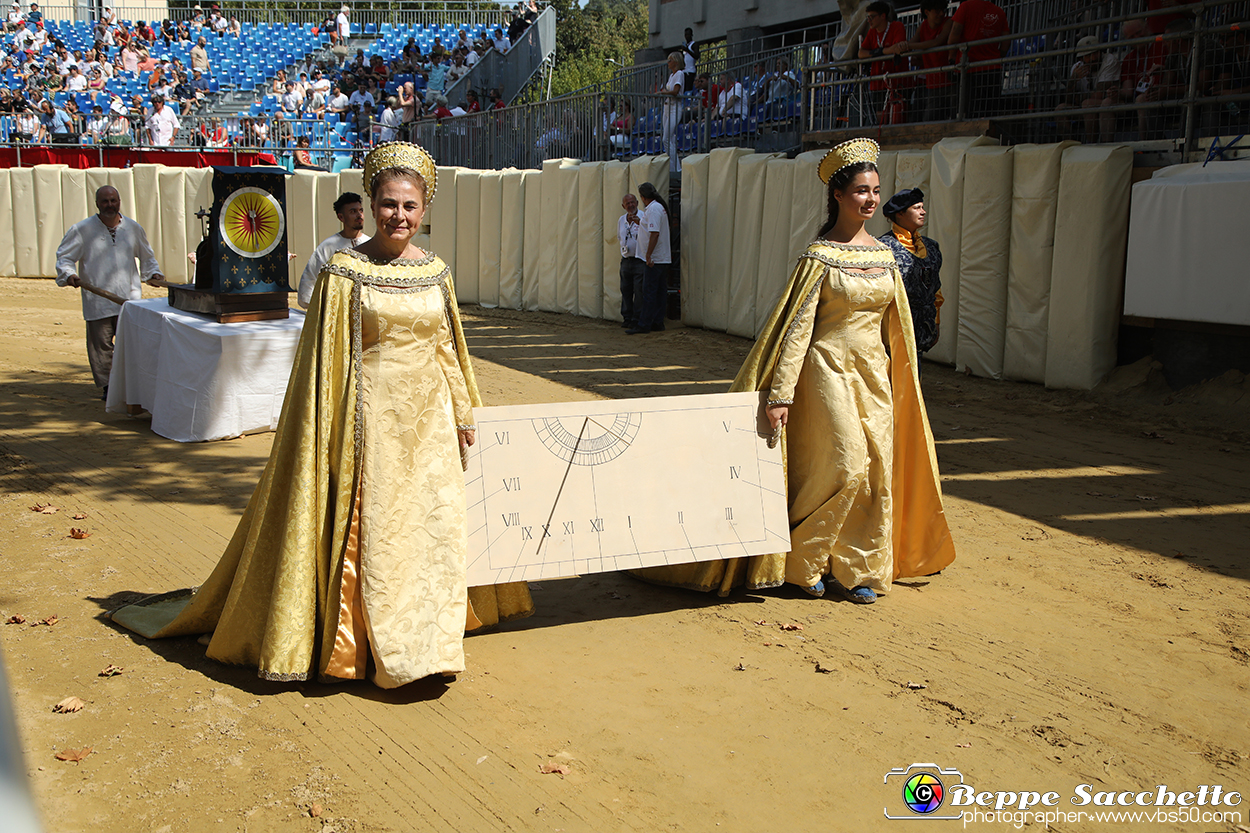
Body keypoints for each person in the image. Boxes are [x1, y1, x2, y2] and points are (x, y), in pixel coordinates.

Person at [109, 142, 534, 687]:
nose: (397, 216)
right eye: (387, 204)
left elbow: (446, 347)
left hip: (428, 427)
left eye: (409, 206)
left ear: (424, 209)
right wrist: (331, 430)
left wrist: (463, 412)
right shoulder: (345, 271)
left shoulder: (436, 271)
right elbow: (323, 361)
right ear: (371, 205)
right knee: (381, 531)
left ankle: (430, 644)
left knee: (432, 531)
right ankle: (382, 649)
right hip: (369, 423)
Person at [633, 139, 955, 601]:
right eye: (861, 190)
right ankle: (802, 562)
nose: (870, 199)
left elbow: (899, 327)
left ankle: (856, 568)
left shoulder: (887, 258)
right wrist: (780, 394)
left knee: (878, 470)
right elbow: (796, 330)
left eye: (876, 190)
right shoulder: (819, 256)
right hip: (826, 370)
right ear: (839, 196)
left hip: (875, 376)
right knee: (844, 466)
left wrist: (906, 382)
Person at [54, 186, 164, 399]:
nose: (110, 205)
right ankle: (108, 388)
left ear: (119, 201)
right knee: (101, 347)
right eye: (105, 201)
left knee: (131, 345)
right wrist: (68, 274)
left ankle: (131, 385)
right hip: (98, 300)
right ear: (97, 203)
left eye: (113, 200)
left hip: (128, 299)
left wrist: (153, 274)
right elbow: (65, 257)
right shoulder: (82, 229)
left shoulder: (133, 228)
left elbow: (147, 257)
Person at [878, 188, 943, 358]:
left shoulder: (931, 247)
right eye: (917, 208)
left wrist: (935, 322)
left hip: (923, 328)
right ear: (900, 213)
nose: (923, 212)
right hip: (894, 329)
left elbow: (936, 288)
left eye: (922, 207)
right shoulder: (883, 248)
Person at [297, 191, 370, 308]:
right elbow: (310, 279)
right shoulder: (328, 247)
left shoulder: (372, 244)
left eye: (361, 210)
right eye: (353, 212)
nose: (359, 215)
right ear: (341, 217)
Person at [894, 0, 954, 122]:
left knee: (954, 118)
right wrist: (902, 47)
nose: (941, 14)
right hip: (933, 84)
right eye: (937, 11)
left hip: (951, 81)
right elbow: (912, 43)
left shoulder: (948, 22)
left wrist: (908, 46)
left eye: (943, 10)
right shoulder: (923, 26)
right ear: (927, 12)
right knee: (929, 120)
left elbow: (937, 42)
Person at [948, 0, 1010, 118]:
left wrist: (951, 58)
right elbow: (1006, 41)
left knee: (963, 113)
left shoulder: (966, 6)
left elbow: (954, 34)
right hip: (992, 68)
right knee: (989, 113)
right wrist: (998, 57)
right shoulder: (999, 11)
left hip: (968, 68)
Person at [627, 181, 670, 335]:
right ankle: (657, 322)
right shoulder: (657, 207)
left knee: (649, 291)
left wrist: (648, 255)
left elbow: (654, 233)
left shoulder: (653, 209)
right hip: (661, 258)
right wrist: (640, 222)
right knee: (658, 291)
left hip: (655, 259)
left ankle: (644, 323)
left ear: (642, 197)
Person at [858, 1, 910, 124]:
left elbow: (897, 48)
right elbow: (861, 53)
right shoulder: (872, 32)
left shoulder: (897, 26)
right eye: (868, 17)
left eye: (872, 17)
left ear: (883, 16)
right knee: (881, 118)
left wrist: (877, 52)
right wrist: (883, 51)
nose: (869, 20)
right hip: (878, 82)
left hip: (897, 81)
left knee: (897, 116)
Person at [617, 193, 643, 330]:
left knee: (639, 290)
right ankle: (627, 317)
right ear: (623, 206)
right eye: (628, 203)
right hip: (626, 259)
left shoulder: (644, 217)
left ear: (637, 203)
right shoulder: (621, 220)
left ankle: (637, 318)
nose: (631, 205)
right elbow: (619, 238)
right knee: (625, 289)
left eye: (633, 202)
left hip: (639, 260)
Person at [660, 51, 683, 173]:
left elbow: (675, 91)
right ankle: (674, 166)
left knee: (666, 138)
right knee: (670, 139)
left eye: (670, 60)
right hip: (667, 107)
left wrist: (663, 92)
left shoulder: (679, 74)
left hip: (675, 107)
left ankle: (675, 168)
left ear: (676, 62)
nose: (668, 63)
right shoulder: (671, 76)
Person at [681, 27, 698, 92]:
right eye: (685, 35)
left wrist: (687, 50)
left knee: (688, 89)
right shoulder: (686, 45)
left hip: (690, 71)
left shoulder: (694, 44)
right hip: (684, 71)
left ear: (691, 35)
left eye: (688, 35)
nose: (687, 37)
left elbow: (696, 56)